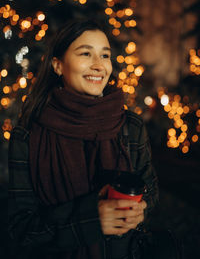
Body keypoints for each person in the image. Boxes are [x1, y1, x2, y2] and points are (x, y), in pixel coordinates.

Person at [8, 19, 159, 259]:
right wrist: (91, 219)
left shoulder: (130, 125)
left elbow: (149, 187)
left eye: (105, 56)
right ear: (58, 66)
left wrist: (140, 208)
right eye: (86, 54)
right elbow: (21, 230)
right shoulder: (27, 136)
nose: (99, 66)